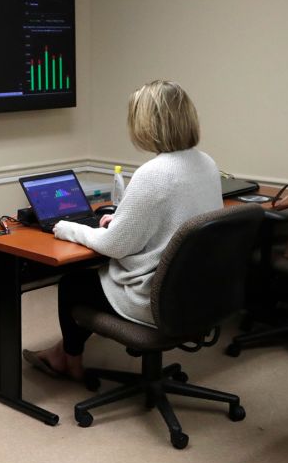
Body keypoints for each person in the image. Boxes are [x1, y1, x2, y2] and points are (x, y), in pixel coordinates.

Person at [23, 80, 221, 381]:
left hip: (153, 300)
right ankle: (59, 352)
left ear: (146, 124)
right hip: (196, 294)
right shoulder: (205, 163)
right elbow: (174, 218)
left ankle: (69, 362)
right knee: (91, 278)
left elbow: (115, 247)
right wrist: (122, 220)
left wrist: (67, 229)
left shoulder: (153, 174)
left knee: (74, 283)